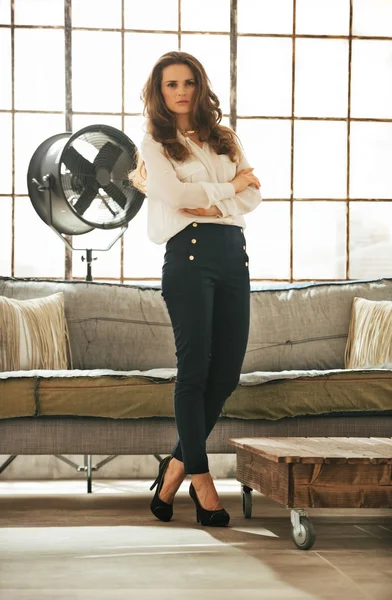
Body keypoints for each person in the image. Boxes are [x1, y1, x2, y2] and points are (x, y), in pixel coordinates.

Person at [130, 51, 261, 527]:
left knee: (225, 375)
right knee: (194, 371)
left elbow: (255, 192)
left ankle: (173, 472)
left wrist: (221, 194)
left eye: (188, 82)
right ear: (159, 93)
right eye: (171, 85)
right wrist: (228, 188)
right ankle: (201, 480)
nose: (181, 91)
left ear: (200, 86)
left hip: (233, 255)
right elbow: (178, 197)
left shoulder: (224, 138)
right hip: (187, 258)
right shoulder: (154, 144)